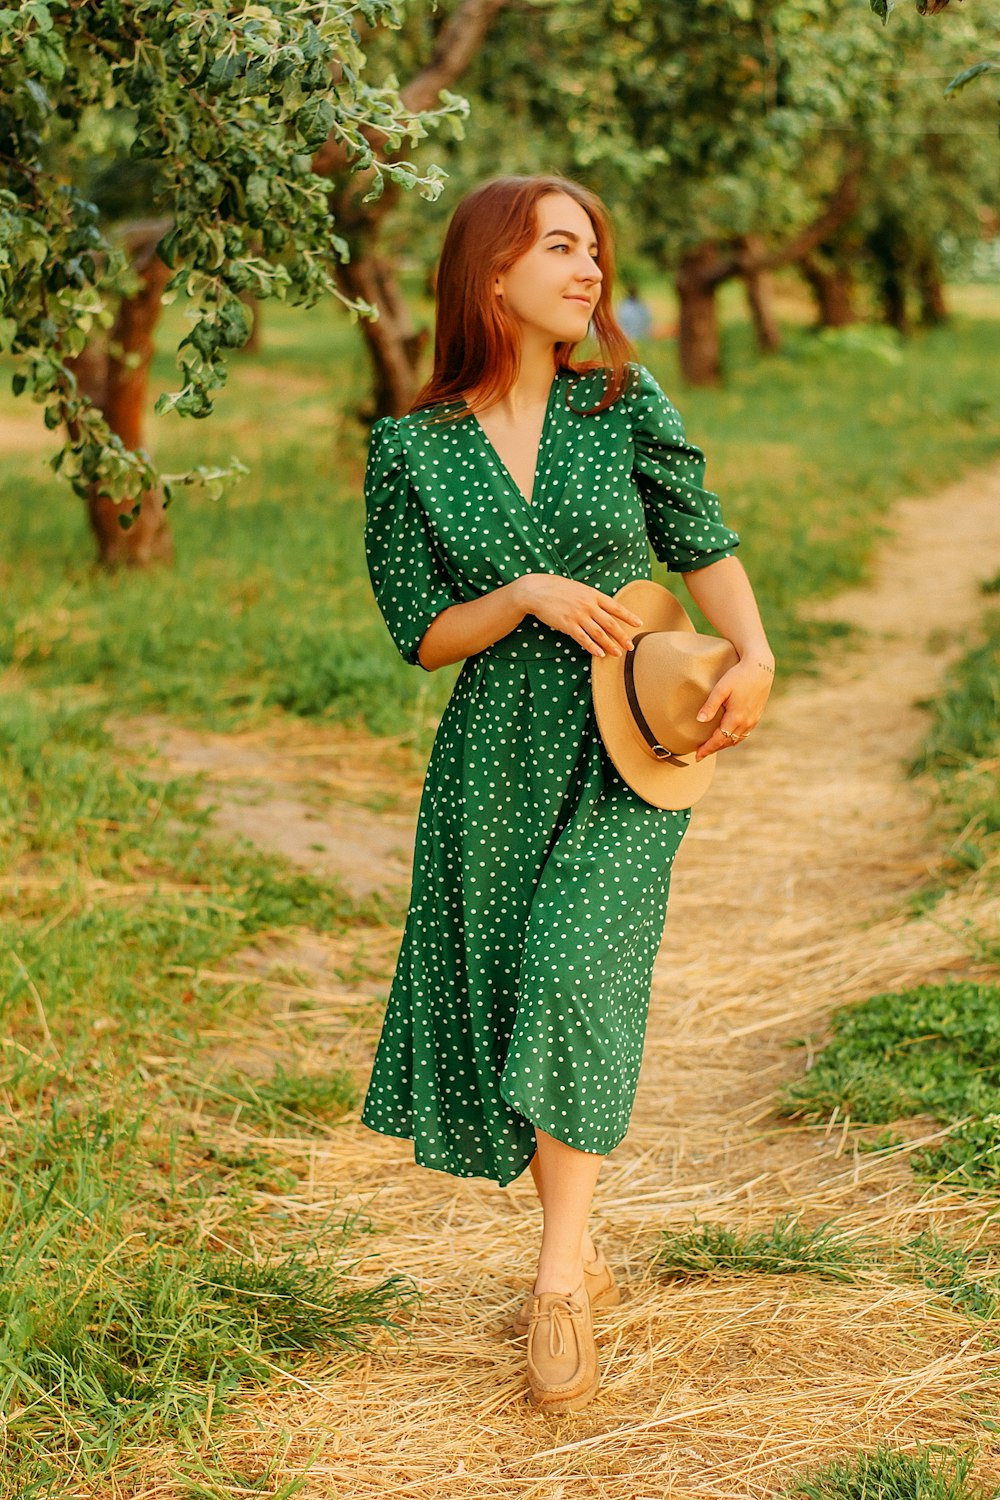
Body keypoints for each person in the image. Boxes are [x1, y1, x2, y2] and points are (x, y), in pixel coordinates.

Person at [361, 174, 774, 1413]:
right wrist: (526, 594)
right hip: (493, 756)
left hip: (627, 746)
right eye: (560, 247)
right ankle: (578, 1253)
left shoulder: (619, 400)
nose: (588, 269)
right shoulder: (412, 449)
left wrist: (752, 653)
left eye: (594, 247)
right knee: (514, 1007)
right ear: (492, 272)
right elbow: (420, 632)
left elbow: (698, 537)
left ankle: (550, 1285)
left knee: (573, 976)